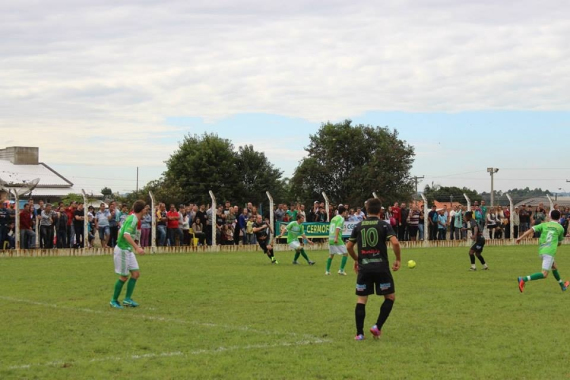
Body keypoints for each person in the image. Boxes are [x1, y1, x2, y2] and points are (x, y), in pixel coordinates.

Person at [346, 198, 401, 341]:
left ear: (366, 209)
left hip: (364, 268)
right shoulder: (384, 225)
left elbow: (349, 247)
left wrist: (357, 259)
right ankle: (377, 327)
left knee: (361, 299)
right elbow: (395, 242)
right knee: (390, 297)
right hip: (381, 267)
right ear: (380, 210)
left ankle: (359, 334)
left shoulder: (359, 226)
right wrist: (398, 259)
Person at [516, 209, 569, 293]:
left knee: (554, 267)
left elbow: (531, 230)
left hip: (541, 250)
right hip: (549, 252)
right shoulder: (560, 228)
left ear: (550, 216)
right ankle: (523, 279)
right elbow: (559, 242)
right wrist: (557, 243)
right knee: (544, 274)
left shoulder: (544, 224)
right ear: (559, 218)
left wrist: (520, 237)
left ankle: (562, 286)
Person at [110, 200, 147, 309]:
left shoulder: (132, 217)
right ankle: (113, 300)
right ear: (141, 209)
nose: (146, 210)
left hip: (127, 249)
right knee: (124, 276)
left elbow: (121, 231)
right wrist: (137, 248)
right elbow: (126, 234)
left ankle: (127, 300)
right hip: (122, 250)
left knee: (135, 274)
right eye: (145, 208)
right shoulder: (133, 219)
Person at [326, 206, 349, 275]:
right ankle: (341, 270)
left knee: (331, 255)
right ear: (343, 212)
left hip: (330, 238)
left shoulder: (334, 218)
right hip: (336, 239)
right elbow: (337, 228)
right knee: (345, 254)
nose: (346, 214)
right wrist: (336, 238)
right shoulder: (341, 218)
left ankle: (327, 271)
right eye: (346, 212)